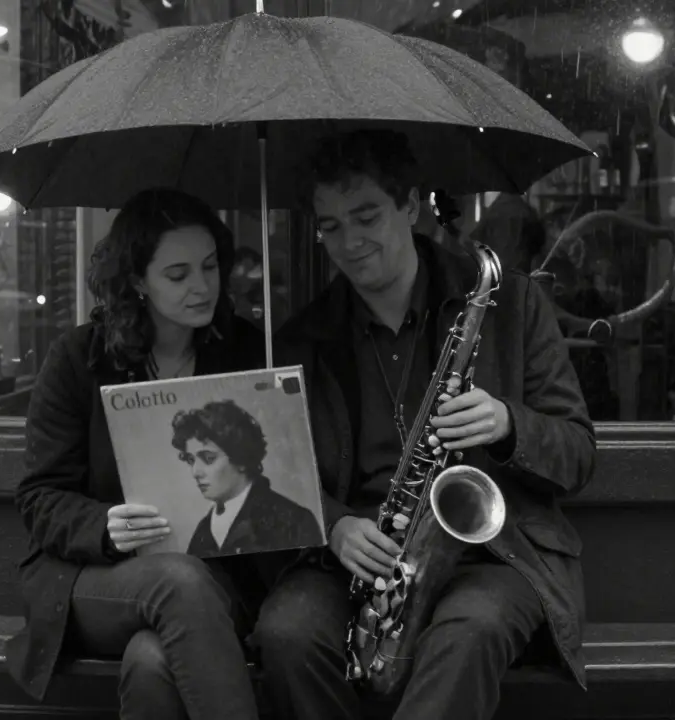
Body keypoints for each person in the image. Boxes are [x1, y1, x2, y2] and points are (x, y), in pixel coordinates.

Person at [253, 130, 597, 720]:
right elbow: (276, 478)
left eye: (366, 216)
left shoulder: (508, 304)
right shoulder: (302, 338)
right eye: (329, 225)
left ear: (411, 205)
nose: (349, 242)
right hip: (361, 555)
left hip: (495, 553)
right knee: (286, 634)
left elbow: (578, 453)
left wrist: (506, 424)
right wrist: (334, 526)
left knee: (470, 635)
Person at [5, 187, 268, 720]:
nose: (202, 287)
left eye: (211, 266)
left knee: (152, 661)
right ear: (135, 282)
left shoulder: (243, 351)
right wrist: (104, 525)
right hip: (93, 579)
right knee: (178, 581)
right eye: (178, 275)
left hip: (214, 577)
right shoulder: (80, 358)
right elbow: (39, 497)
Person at [170, 399, 325, 557]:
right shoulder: (203, 530)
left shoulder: (293, 520)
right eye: (191, 460)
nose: (195, 472)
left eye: (209, 458)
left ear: (241, 459)